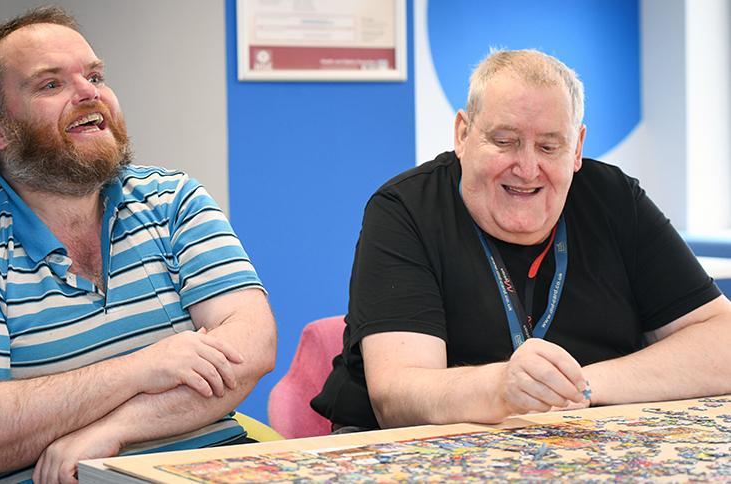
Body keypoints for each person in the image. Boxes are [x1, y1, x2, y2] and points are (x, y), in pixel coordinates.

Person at [0, 7, 276, 483]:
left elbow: (251, 348)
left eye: (94, 75)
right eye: (51, 84)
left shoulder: (174, 201)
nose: (90, 92)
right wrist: (140, 368)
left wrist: (114, 430)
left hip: (210, 467)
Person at [312, 49, 731, 432]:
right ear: (462, 134)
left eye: (550, 146)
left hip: (586, 436)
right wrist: (502, 389)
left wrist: (580, 386)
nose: (527, 169)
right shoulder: (405, 208)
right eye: (504, 141)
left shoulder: (616, 199)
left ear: (578, 148)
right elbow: (398, 396)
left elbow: (722, 341)